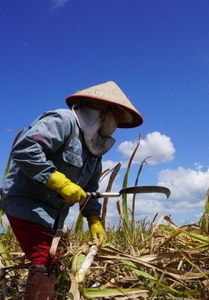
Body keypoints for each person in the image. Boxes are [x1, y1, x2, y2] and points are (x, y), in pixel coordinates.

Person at [0, 81, 143, 299]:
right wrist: (59, 181)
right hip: (26, 202)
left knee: (57, 255)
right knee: (44, 258)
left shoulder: (95, 149)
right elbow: (26, 149)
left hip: (53, 214)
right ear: (105, 113)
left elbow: (90, 189)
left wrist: (94, 219)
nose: (116, 127)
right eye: (117, 119)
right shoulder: (63, 121)